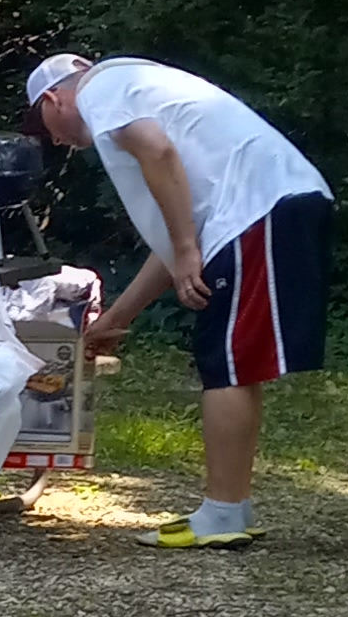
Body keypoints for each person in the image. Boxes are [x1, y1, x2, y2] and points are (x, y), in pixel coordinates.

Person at [25, 47, 330, 549]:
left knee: (226, 365)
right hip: (271, 205)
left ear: (55, 98)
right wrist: (115, 320)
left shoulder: (102, 88)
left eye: (45, 126)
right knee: (231, 361)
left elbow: (158, 152)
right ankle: (229, 510)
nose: (56, 140)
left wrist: (190, 250)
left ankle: (222, 516)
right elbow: (171, 244)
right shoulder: (136, 89)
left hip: (262, 208)